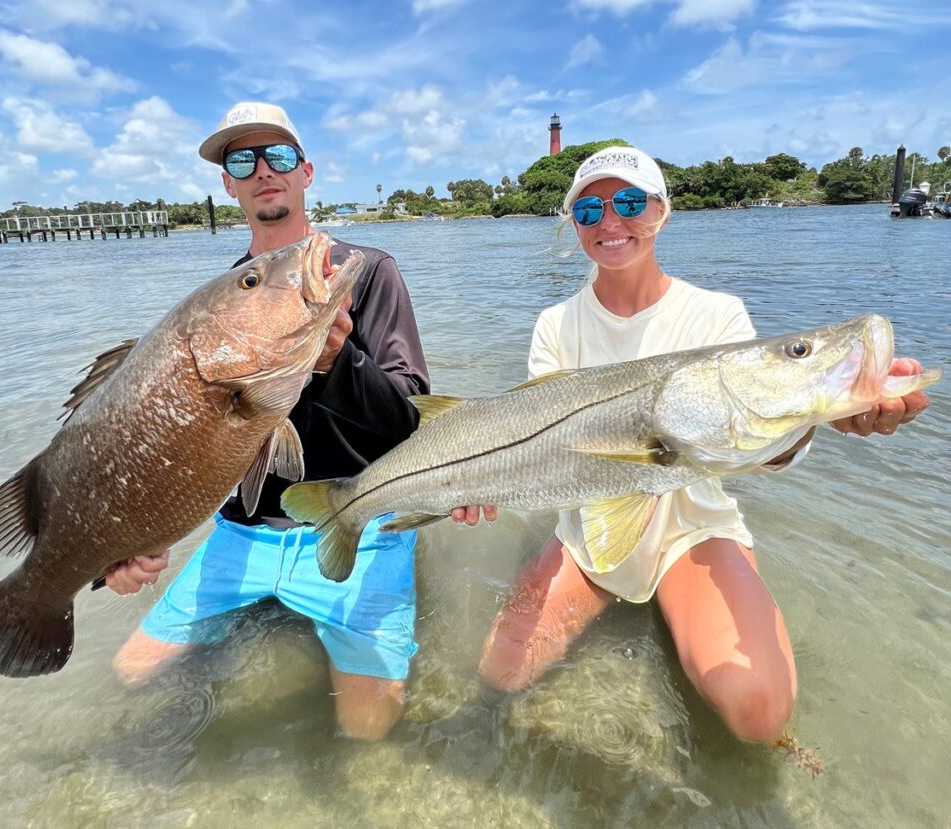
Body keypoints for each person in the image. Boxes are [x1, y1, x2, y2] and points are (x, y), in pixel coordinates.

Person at [467, 145, 932, 743]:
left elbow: (747, 439)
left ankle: (693, 606)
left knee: (758, 714)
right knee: (500, 674)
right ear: (573, 226)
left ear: (663, 211)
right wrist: (478, 483)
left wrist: (813, 418)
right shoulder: (554, 326)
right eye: (588, 211)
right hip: (588, 530)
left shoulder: (717, 315)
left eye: (631, 202)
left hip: (692, 528)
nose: (611, 221)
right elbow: (538, 454)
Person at [105, 102, 430, 741]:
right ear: (227, 183)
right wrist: (130, 539)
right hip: (245, 526)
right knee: (130, 673)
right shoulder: (220, 299)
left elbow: (411, 421)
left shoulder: (368, 271)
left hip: (357, 519)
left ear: (306, 171)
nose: (262, 171)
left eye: (278, 156)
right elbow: (178, 440)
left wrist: (340, 360)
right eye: (241, 159)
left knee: (368, 727)